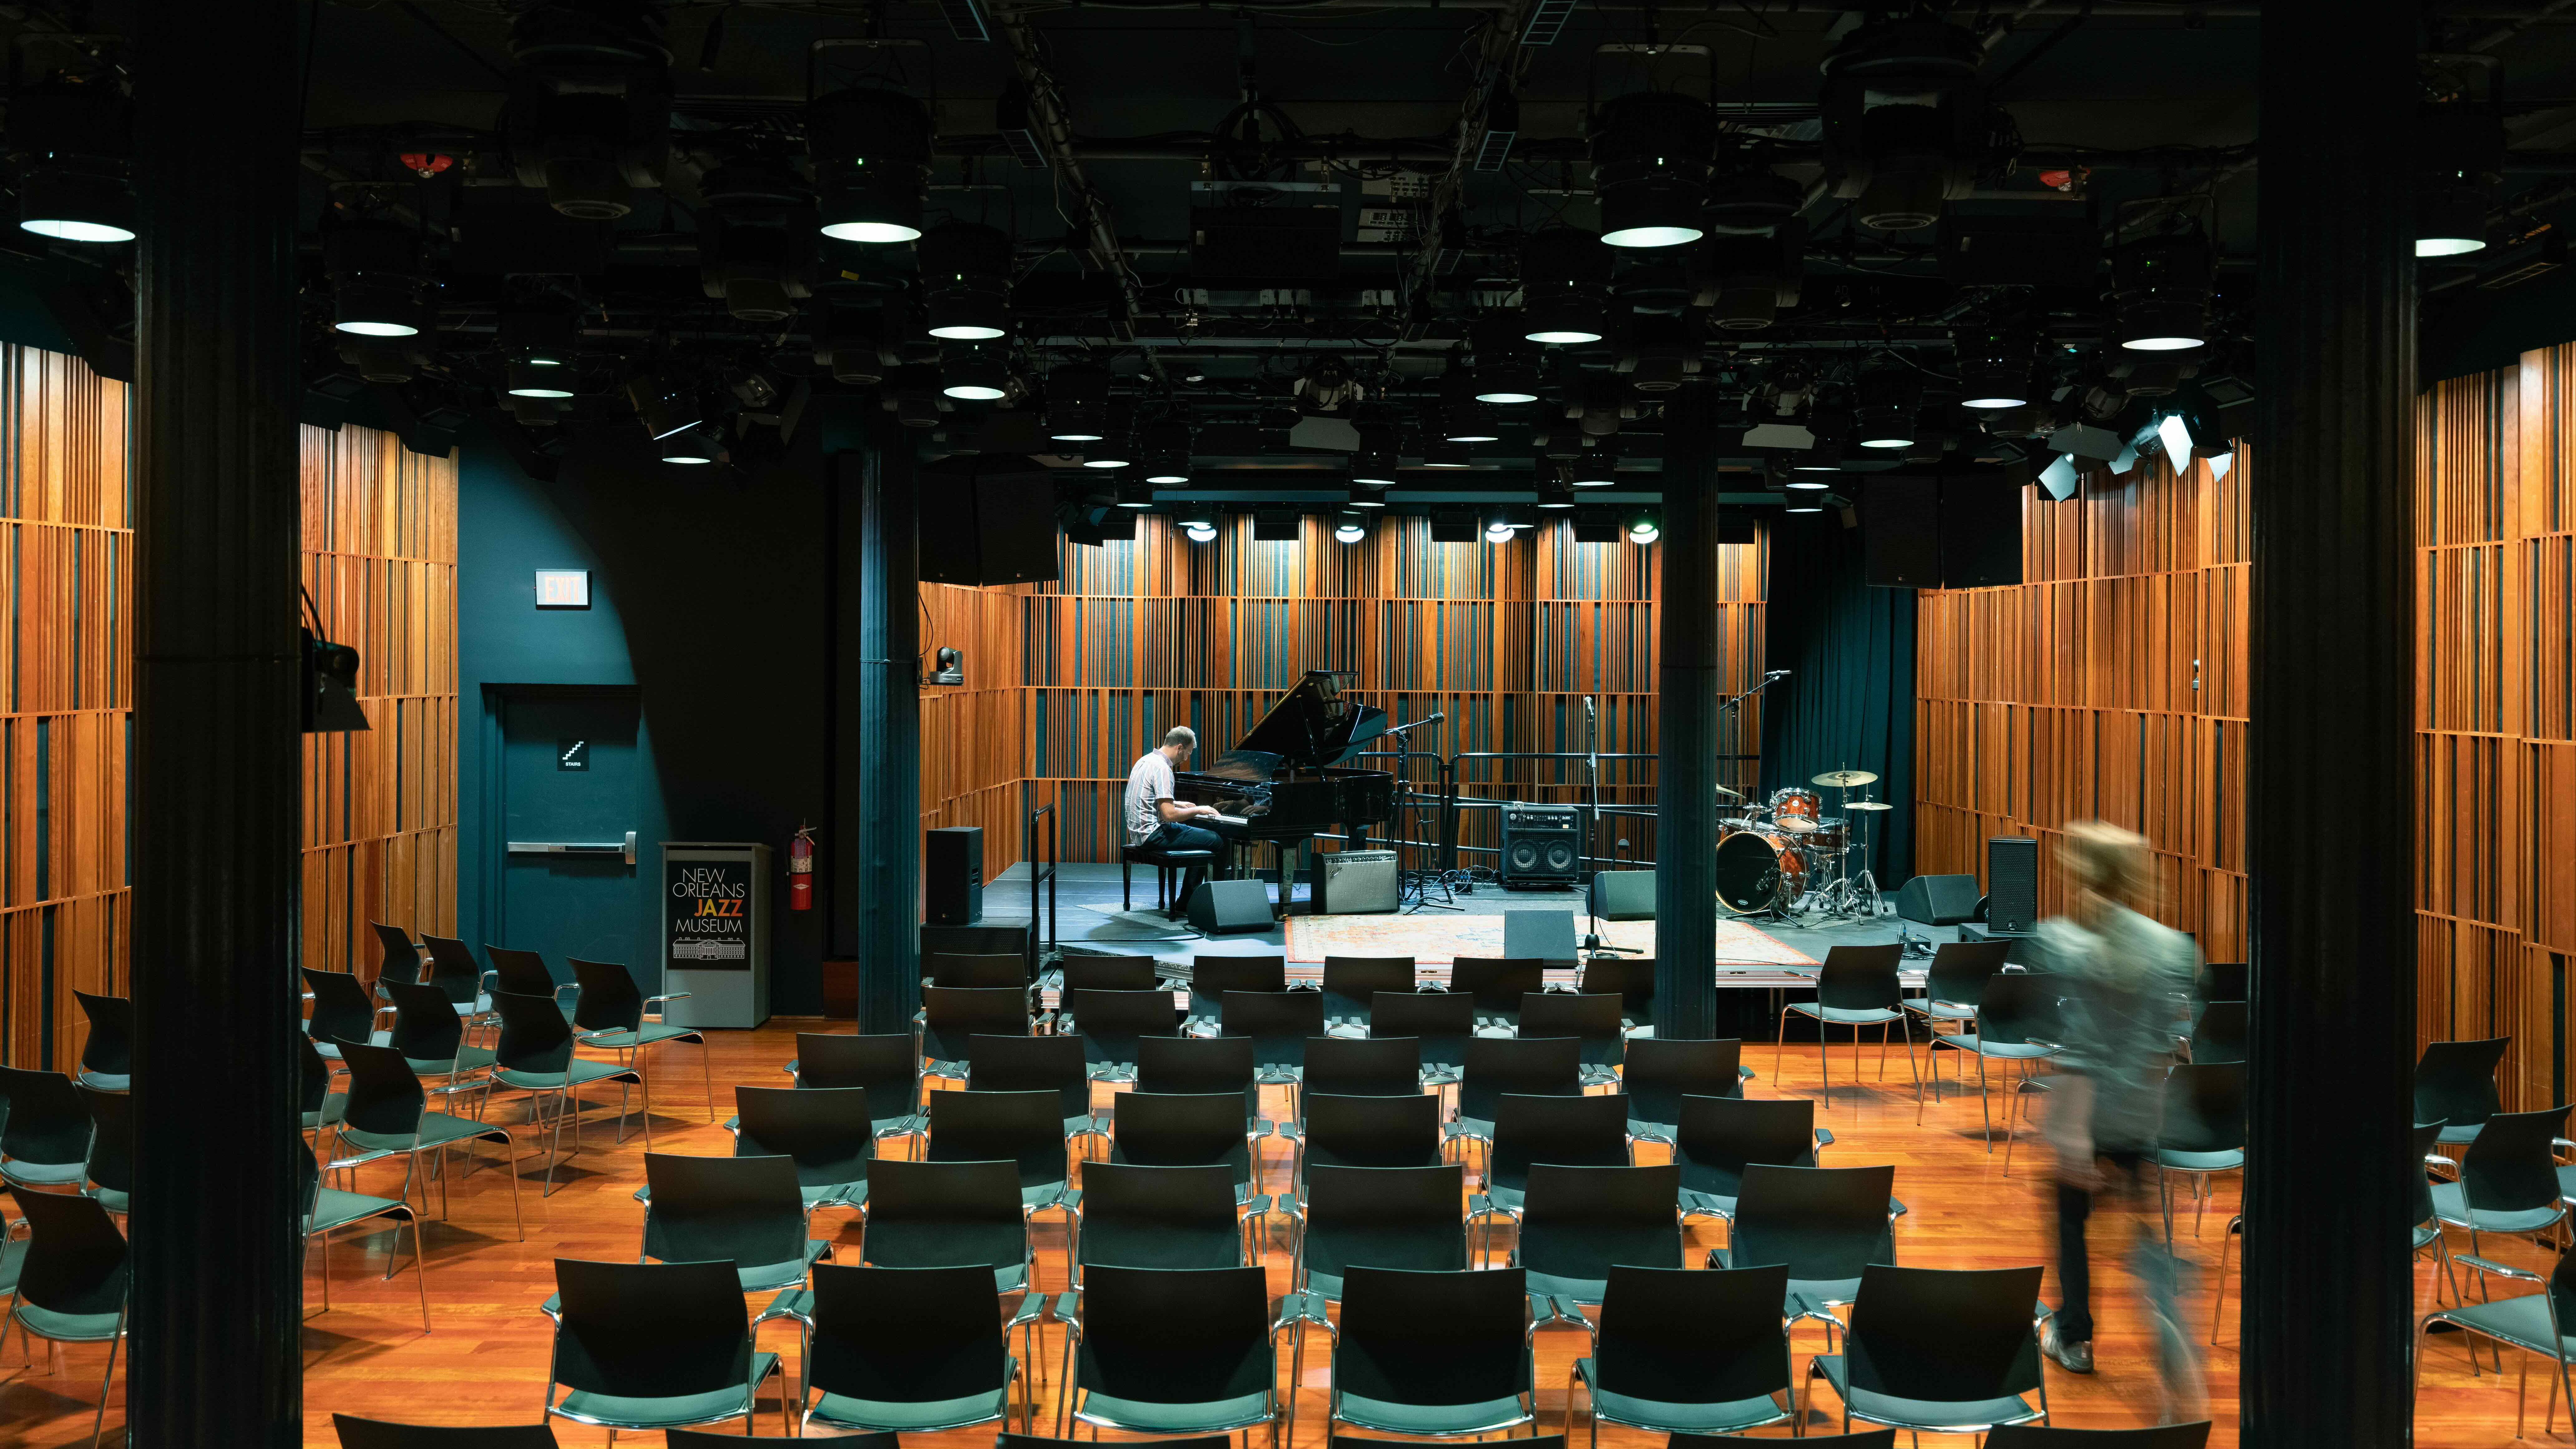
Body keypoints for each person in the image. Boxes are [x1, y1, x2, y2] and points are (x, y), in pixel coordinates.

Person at [2031, 820, 2203, 1417]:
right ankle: (2168, 1323)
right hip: (2144, 1114)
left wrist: (2075, 1137)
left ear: (2079, 871)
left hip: (2084, 1116)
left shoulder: (2064, 943)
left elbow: (2075, 1047)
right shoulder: (2173, 947)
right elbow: (2175, 1041)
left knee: (2071, 1227)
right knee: (2143, 1235)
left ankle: (2074, 1335)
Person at [1125, 725, 1227, 910]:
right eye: (1187, 754)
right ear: (1180, 747)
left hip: (1138, 834)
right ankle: (1210, 903)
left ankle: (1188, 900)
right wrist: (1200, 810)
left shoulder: (1146, 761)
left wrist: (1178, 802)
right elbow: (1170, 815)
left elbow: (1150, 798)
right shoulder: (1164, 769)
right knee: (1216, 840)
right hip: (1155, 835)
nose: (1185, 759)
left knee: (1202, 838)